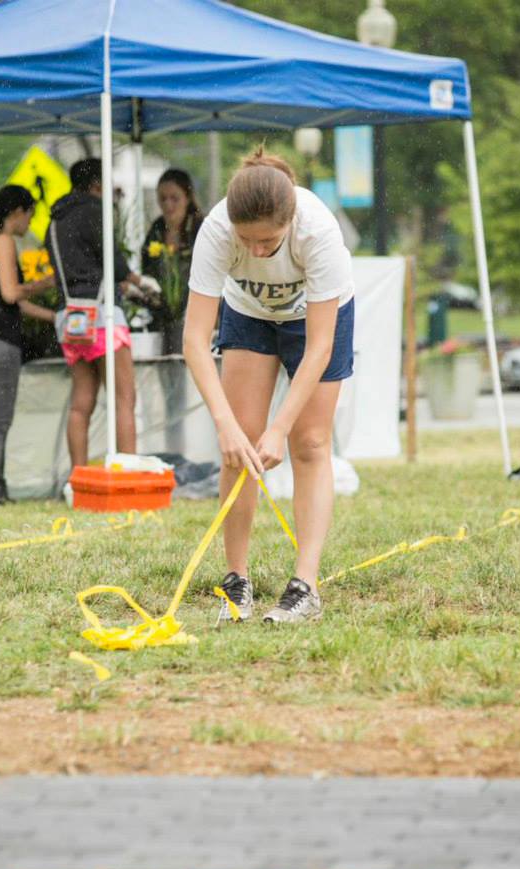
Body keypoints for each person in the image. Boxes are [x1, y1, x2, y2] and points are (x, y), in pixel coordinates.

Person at [183, 147, 355, 624]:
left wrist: (279, 427)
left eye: (269, 242)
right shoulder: (216, 230)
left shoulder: (317, 231)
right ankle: (236, 582)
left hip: (317, 319)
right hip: (249, 315)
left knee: (310, 442)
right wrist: (225, 425)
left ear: (289, 221)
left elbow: (320, 347)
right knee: (238, 447)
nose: (257, 251)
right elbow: (195, 341)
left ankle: (305, 586)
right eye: (248, 241)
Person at [46, 158, 159, 467]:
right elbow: (114, 261)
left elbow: (72, 268)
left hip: (70, 319)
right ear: (96, 185)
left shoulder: (54, 222)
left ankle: (77, 476)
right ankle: (127, 471)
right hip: (102, 316)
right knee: (124, 397)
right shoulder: (93, 211)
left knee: (81, 402)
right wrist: (139, 281)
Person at [0, 185, 56, 505]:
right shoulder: (3, 241)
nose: (30, 223)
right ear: (17, 212)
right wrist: (46, 282)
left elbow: (8, 301)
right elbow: (11, 293)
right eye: (29, 215)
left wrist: (56, 318)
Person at [141, 169, 204, 354]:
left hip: (196, 310)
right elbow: (147, 268)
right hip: (162, 315)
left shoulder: (200, 227)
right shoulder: (156, 229)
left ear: (188, 197)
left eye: (174, 198)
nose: (168, 205)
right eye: (162, 198)